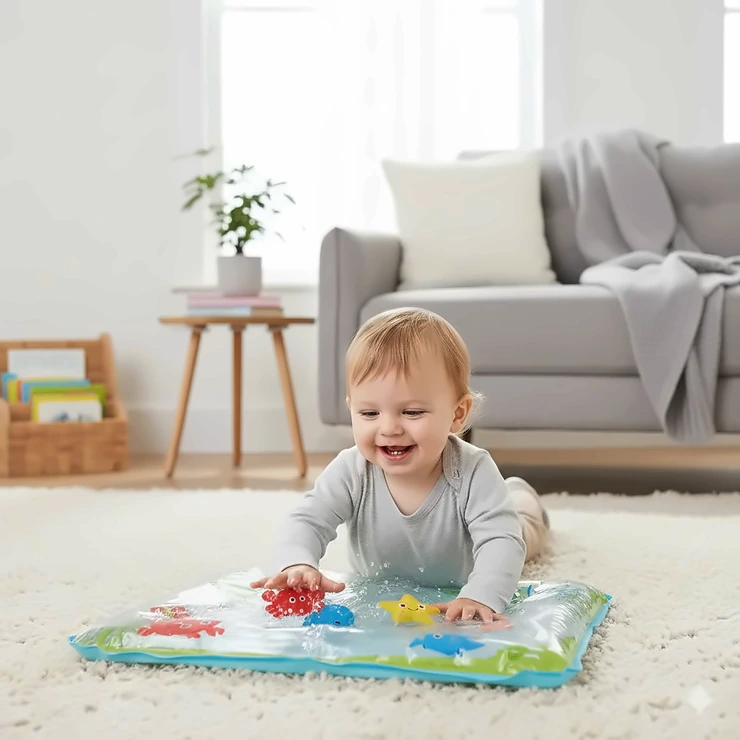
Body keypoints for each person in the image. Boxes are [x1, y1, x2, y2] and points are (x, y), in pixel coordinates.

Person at [251, 307, 549, 624]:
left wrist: (480, 594)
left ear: (457, 414)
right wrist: (297, 563)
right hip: (393, 591)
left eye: (412, 413)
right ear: (352, 409)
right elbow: (308, 520)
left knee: (521, 532)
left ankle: (521, 498)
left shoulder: (474, 470)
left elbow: (500, 541)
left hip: (482, 550)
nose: (390, 428)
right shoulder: (352, 470)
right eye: (369, 414)